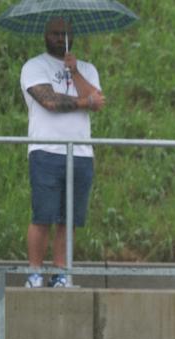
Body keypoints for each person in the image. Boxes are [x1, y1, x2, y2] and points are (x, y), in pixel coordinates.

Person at [20, 17, 105, 288]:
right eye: (55, 33)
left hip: (80, 153)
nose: (60, 38)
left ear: (72, 36)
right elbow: (49, 101)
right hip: (46, 150)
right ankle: (34, 273)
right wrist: (84, 101)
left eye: (65, 33)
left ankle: (61, 273)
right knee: (42, 216)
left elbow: (97, 102)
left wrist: (75, 72)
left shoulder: (87, 69)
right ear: (46, 36)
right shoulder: (34, 66)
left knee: (69, 221)